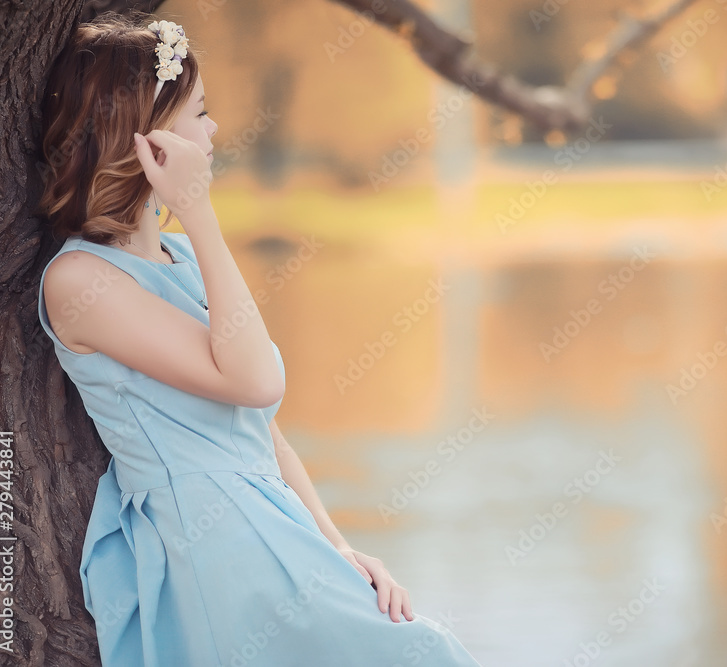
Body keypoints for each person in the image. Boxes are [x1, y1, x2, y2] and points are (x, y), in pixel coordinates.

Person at [35, 12, 481, 667]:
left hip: (272, 516)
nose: (214, 130)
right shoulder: (80, 281)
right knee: (424, 654)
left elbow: (259, 423)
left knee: (425, 647)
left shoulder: (183, 260)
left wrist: (336, 546)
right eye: (200, 113)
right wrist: (199, 209)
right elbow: (257, 378)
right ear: (145, 138)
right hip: (211, 539)